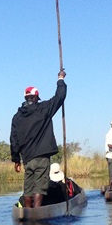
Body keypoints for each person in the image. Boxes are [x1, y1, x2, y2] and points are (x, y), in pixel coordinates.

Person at [10, 70, 67, 208]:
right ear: (35, 97)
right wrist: (60, 79)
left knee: (28, 189)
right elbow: (60, 97)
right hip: (41, 157)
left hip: (27, 158)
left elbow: (14, 140)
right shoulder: (44, 109)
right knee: (39, 188)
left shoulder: (17, 117)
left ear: (26, 98)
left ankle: (27, 213)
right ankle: (37, 213)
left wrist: (16, 159)